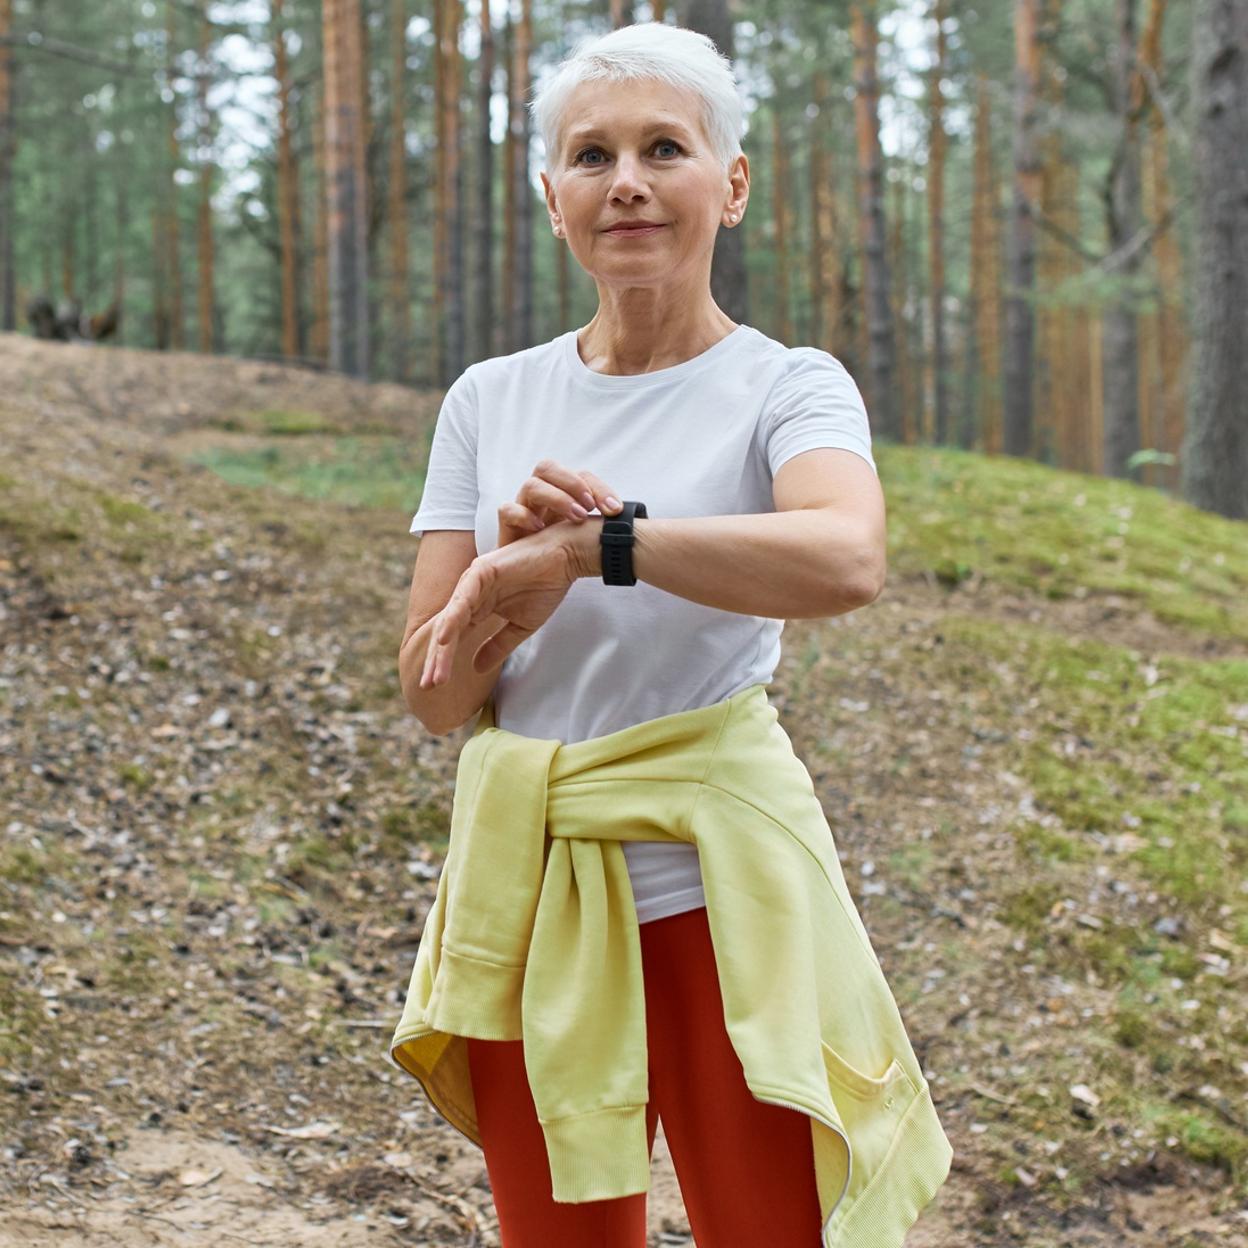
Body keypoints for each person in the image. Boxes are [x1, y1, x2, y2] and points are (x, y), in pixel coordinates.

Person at [398, 20, 889, 1247]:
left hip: (716, 890)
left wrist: (597, 546)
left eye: (663, 148)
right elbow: (434, 696)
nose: (626, 180)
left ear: (728, 184)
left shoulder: (789, 386)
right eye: (590, 156)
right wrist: (510, 607)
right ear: (553, 198)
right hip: (529, 881)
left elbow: (846, 555)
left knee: (766, 1229)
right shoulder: (489, 400)